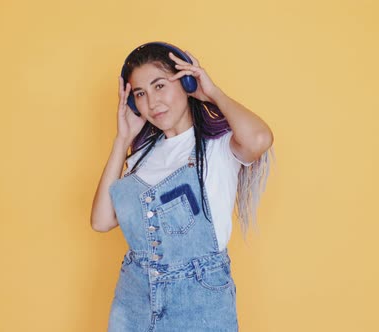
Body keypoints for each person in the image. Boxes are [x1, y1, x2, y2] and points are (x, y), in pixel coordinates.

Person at [90, 41, 274, 332]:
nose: (152, 102)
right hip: (134, 298)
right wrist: (121, 140)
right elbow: (101, 221)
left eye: (159, 86)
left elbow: (260, 139)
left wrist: (211, 92)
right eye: (140, 93)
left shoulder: (219, 147)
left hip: (199, 301)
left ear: (186, 82)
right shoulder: (140, 156)